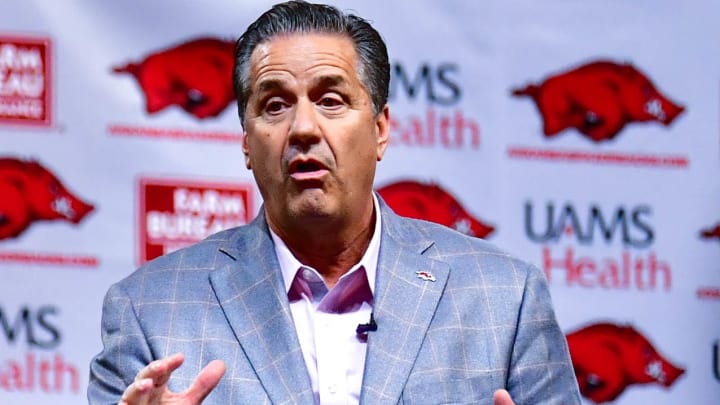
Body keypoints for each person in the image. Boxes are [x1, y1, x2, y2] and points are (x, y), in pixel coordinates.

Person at [88, 1, 582, 404]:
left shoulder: (505, 297)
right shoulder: (149, 311)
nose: (303, 128)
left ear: (380, 129)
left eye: (331, 100)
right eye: (275, 105)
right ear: (245, 142)